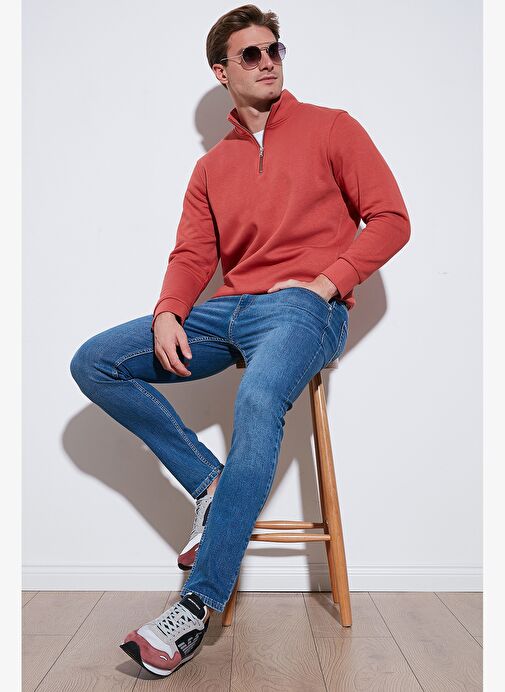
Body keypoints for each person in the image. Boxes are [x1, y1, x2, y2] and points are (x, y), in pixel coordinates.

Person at [70, 3, 411, 679]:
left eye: (274, 49)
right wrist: (169, 311)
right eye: (250, 54)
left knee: (257, 399)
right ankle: (211, 484)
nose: (267, 62)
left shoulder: (332, 127)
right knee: (96, 361)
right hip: (226, 311)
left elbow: (391, 219)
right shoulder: (211, 168)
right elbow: (194, 254)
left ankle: (194, 608)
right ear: (221, 71)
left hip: (301, 310)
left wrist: (325, 284)